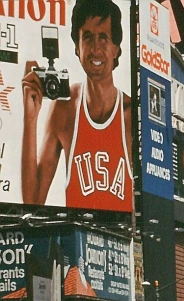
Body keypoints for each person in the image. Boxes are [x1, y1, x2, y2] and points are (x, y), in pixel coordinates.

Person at [21, 0, 132, 210]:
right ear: (77, 47)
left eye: (103, 38)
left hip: (123, 238)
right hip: (76, 237)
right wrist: (30, 119)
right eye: (87, 37)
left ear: (116, 49)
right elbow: (32, 203)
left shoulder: (132, 115)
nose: (95, 49)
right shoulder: (65, 107)